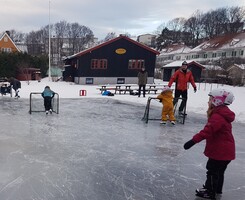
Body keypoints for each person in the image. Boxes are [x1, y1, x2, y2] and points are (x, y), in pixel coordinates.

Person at [183, 88, 235, 200]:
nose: (208, 101)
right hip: (225, 151)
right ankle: (216, 189)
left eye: (211, 99)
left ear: (217, 101)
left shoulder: (217, 117)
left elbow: (207, 132)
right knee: (219, 172)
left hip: (220, 151)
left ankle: (210, 191)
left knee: (212, 170)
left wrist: (192, 141)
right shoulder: (222, 113)